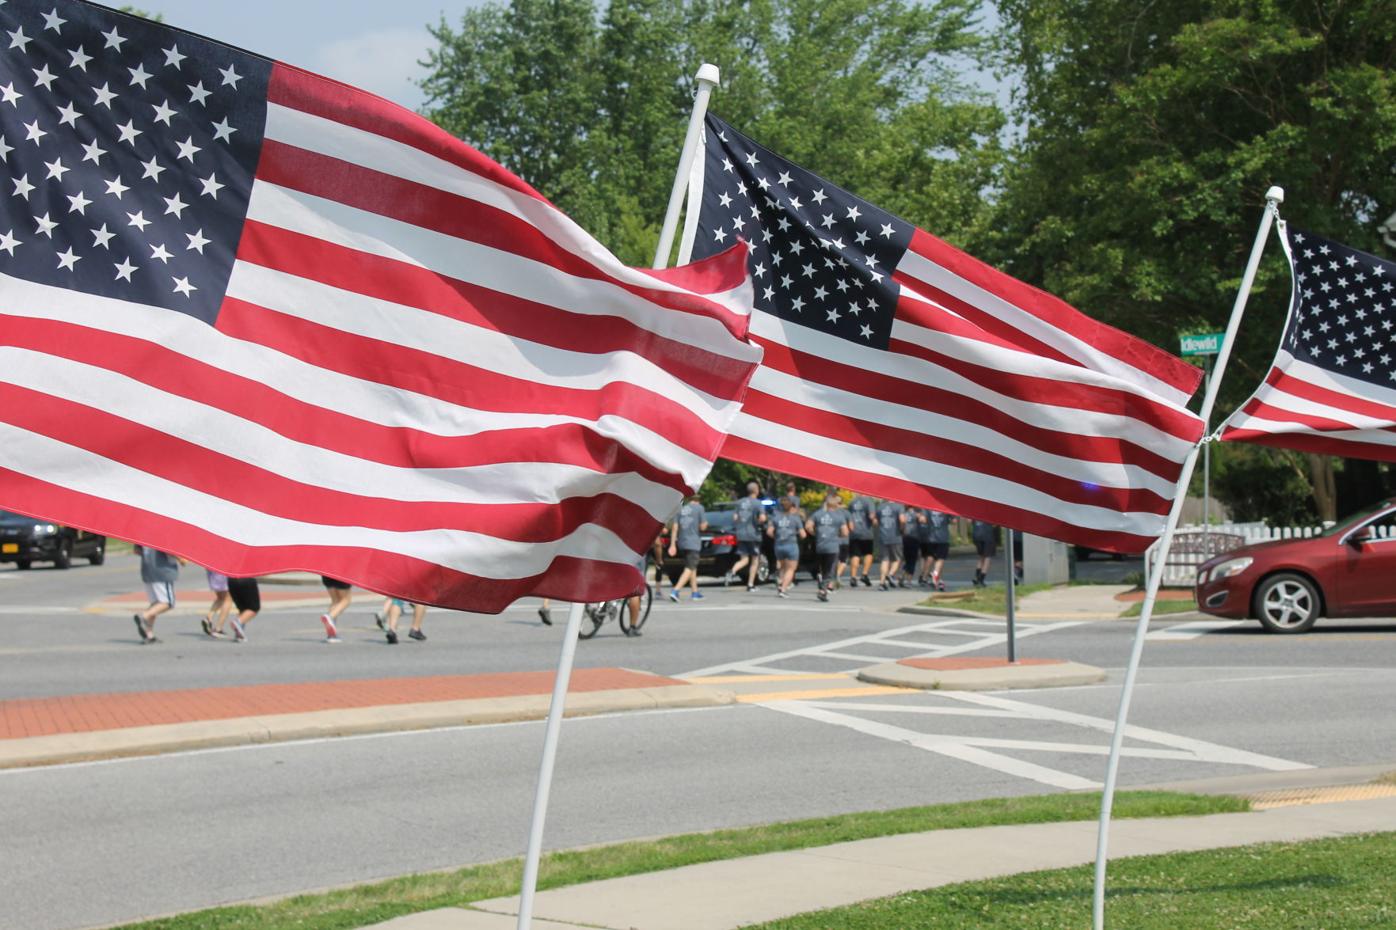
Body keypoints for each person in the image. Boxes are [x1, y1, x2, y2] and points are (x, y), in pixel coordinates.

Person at [133, 544, 185, 644]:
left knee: (155, 603)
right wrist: (180, 559)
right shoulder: (162, 531)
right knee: (168, 602)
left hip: (147, 570)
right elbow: (168, 549)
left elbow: (136, 551)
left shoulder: (142, 532)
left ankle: (149, 634)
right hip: (162, 571)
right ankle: (144, 616)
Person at [807, 494, 850, 602]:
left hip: (820, 545)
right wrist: (838, 535)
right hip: (832, 546)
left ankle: (820, 578)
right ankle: (822, 590)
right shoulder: (839, 517)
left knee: (823, 567)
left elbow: (808, 526)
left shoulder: (817, 514)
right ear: (836, 505)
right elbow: (845, 532)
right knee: (830, 571)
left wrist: (816, 533)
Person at [726, 482, 766, 591]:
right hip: (753, 535)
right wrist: (757, 522)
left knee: (744, 559)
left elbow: (735, 517)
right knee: (754, 560)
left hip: (741, 534)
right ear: (756, 490)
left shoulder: (740, 502)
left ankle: (732, 571)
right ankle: (750, 584)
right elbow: (762, 518)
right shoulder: (758, 503)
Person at [667, 494, 707, 601]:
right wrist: (705, 524)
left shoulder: (680, 508)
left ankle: (695, 592)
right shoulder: (700, 508)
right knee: (689, 568)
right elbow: (703, 526)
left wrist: (672, 545)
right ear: (698, 499)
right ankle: (676, 591)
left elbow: (675, 528)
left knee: (692, 566)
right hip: (693, 542)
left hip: (682, 542)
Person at [766, 496, 806, 597]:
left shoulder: (775, 518)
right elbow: (803, 534)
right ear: (791, 507)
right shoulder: (795, 518)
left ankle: (780, 583)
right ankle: (783, 589)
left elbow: (769, 532)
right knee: (791, 569)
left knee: (782, 567)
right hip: (791, 544)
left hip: (779, 545)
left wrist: (776, 536)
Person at [873, 499, 906, 589]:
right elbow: (902, 520)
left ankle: (882, 582)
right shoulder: (899, 506)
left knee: (885, 560)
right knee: (897, 559)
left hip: (883, 536)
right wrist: (902, 529)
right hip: (895, 536)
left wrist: (881, 526)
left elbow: (875, 522)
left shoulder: (879, 507)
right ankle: (890, 574)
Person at [846, 494, 876, 587]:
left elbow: (848, 517)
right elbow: (871, 516)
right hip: (866, 532)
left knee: (855, 554)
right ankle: (864, 574)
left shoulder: (851, 502)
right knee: (868, 553)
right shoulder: (869, 501)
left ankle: (853, 577)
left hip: (854, 532)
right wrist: (875, 522)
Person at [224, 575, 261, 642]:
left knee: (242, 608)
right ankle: (238, 622)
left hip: (232, 580)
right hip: (247, 578)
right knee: (254, 608)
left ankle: (239, 634)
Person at [921, 509, 951, 590]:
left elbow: (922, 519)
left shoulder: (928, 508)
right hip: (943, 539)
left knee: (930, 557)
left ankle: (925, 577)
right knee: (940, 559)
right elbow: (954, 520)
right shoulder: (946, 507)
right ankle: (935, 574)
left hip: (931, 538)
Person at [319, 576, 350, 643]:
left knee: (335, 600)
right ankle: (330, 616)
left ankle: (332, 635)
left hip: (326, 573)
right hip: (341, 572)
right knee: (346, 600)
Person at [201, 569, 231, 638]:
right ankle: (218, 629)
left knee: (220, 598)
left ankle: (208, 618)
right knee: (228, 599)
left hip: (212, 571)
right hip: (222, 570)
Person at [900, 507, 924, 588]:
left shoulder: (904, 513)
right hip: (914, 538)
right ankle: (908, 580)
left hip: (905, 538)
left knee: (907, 559)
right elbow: (923, 520)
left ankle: (902, 575)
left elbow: (902, 526)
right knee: (912, 560)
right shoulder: (917, 514)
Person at [971, 520, 999, 587]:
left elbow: (969, 521)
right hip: (987, 535)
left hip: (977, 535)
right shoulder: (990, 511)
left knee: (981, 557)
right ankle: (981, 579)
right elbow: (995, 523)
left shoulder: (976, 510)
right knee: (987, 558)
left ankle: (977, 577)